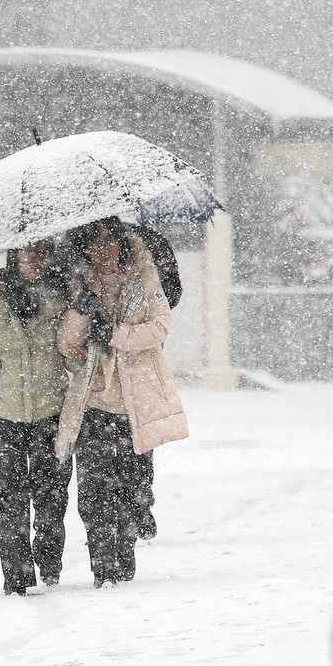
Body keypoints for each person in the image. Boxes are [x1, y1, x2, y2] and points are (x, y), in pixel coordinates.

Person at [56, 218, 187, 587]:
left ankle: (125, 548)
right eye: (95, 246)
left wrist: (115, 334)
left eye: (109, 244)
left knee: (133, 484)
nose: (103, 253)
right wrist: (81, 314)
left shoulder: (144, 281)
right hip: (95, 401)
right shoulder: (81, 287)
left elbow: (160, 327)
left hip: (136, 400)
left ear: (122, 245)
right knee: (94, 490)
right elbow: (67, 344)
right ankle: (103, 565)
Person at [0, 237, 74, 595]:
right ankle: (17, 576)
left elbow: (74, 350)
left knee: (51, 495)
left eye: (43, 252)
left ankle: (50, 562)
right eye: (28, 252)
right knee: (9, 499)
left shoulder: (63, 300)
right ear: (14, 255)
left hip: (51, 412)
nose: (36, 260)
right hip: (3, 413)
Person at [127, 224, 183, 539]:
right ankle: (116, 512)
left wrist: (145, 298)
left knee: (141, 432)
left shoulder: (149, 241)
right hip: (102, 363)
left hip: (140, 357)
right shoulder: (83, 244)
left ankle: (139, 506)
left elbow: (171, 292)